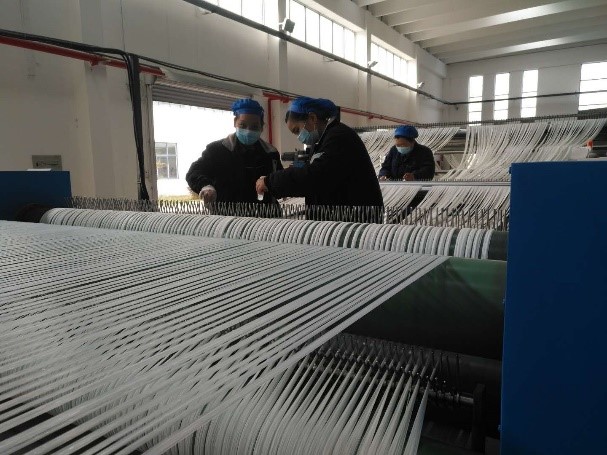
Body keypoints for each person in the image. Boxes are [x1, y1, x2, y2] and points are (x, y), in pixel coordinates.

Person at [255, 97, 383, 218]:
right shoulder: (325, 140)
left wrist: (271, 182)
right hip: (345, 216)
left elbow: (315, 176)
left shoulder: (339, 137)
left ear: (312, 118)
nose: (299, 137)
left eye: (297, 130)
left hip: (356, 219)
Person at [185, 98, 282, 204]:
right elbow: (194, 173)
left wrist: (273, 184)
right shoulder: (216, 151)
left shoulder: (271, 153)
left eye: (254, 127)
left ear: (262, 127)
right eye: (243, 125)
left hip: (265, 212)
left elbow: (280, 180)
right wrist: (205, 186)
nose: (248, 131)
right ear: (235, 122)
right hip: (228, 212)